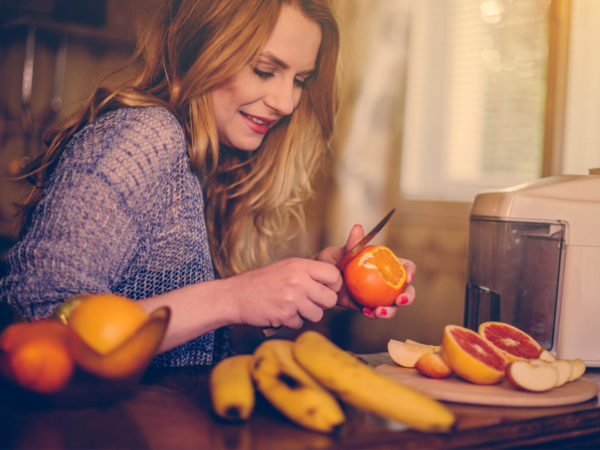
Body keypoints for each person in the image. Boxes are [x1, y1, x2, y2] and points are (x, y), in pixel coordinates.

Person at [0, 0, 416, 367]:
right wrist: (231, 297)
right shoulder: (146, 136)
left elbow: (186, 351)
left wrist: (291, 297)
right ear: (202, 49)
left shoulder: (208, 161)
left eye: (299, 80)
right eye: (265, 70)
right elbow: (36, 314)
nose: (286, 103)